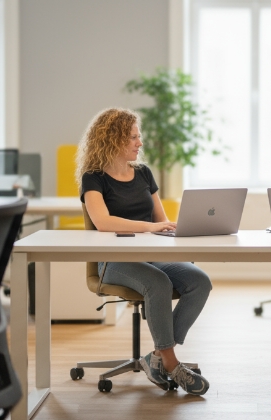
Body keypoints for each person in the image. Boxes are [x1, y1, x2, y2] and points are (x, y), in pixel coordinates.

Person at [77, 108, 212, 396]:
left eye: (139, 137)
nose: (140, 143)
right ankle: (172, 363)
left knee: (200, 281)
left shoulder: (143, 173)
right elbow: (103, 222)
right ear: (112, 140)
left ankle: (157, 356)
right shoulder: (94, 178)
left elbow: (160, 220)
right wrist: (148, 228)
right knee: (158, 282)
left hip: (152, 255)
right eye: (133, 137)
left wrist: (173, 229)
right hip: (113, 262)